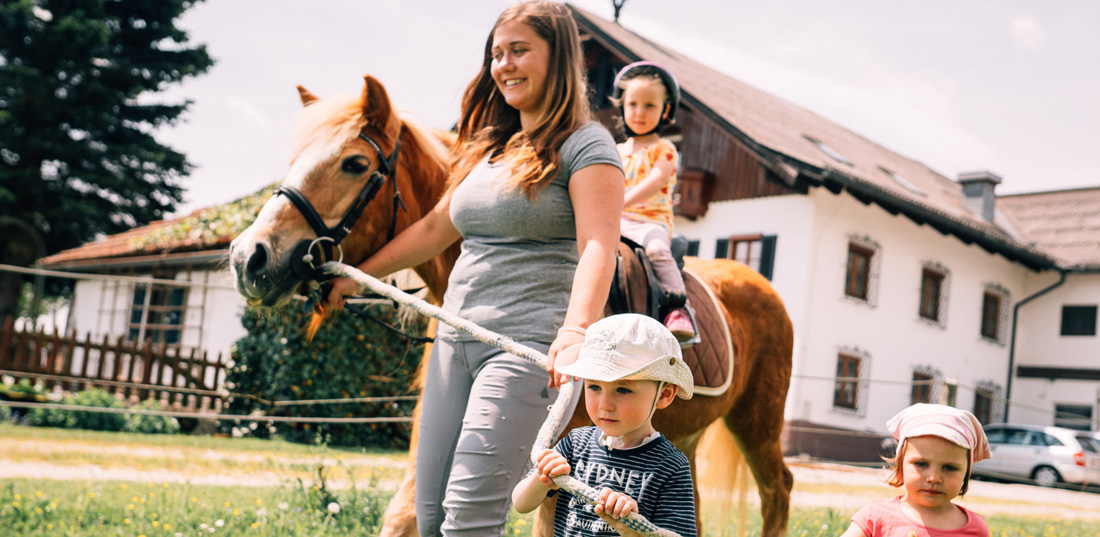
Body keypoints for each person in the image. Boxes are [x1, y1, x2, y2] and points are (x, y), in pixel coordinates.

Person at [325, 2, 624, 535]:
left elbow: (599, 244)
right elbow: (436, 230)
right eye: (496, 53)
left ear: (558, 59)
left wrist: (576, 330)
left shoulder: (586, 144)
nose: (504, 65)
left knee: (469, 518)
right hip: (454, 340)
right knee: (431, 513)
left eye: (519, 50)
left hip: (524, 347)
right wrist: (353, 275)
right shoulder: (491, 149)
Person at [512, 314, 697, 537]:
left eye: (623, 390)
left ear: (664, 394)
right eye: (594, 388)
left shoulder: (671, 466)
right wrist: (541, 479)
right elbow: (520, 503)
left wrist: (632, 530)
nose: (605, 405)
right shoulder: (575, 444)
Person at [611, 62, 694, 340]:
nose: (639, 112)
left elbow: (655, 181)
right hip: (616, 220)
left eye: (649, 105)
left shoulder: (665, 148)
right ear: (622, 107)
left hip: (649, 222)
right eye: (633, 104)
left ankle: (677, 308)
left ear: (665, 110)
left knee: (658, 249)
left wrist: (619, 202)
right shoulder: (617, 151)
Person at [840, 403, 993, 537]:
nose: (934, 478)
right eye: (921, 464)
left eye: (949, 467)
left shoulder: (976, 529)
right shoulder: (875, 516)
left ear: (966, 473)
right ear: (901, 466)